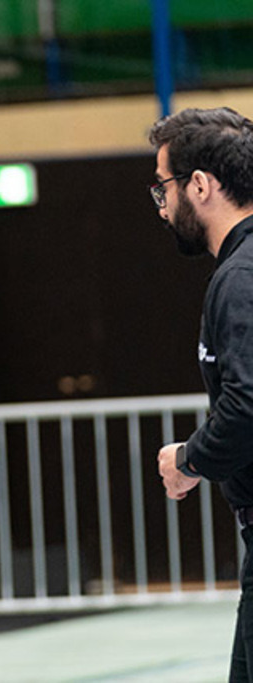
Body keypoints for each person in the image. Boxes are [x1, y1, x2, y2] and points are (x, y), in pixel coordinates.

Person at [150, 108, 253, 681]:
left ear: (200, 185)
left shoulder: (240, 278)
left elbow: (247, 406)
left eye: (163, 186)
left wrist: (188, 460)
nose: (162, 207)